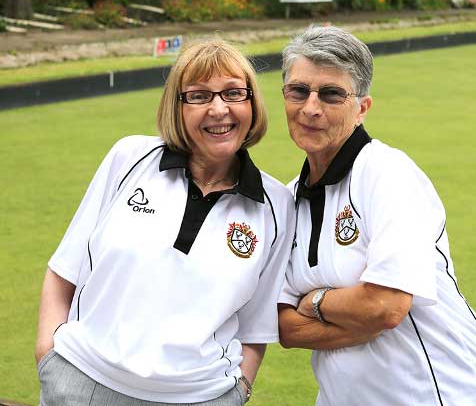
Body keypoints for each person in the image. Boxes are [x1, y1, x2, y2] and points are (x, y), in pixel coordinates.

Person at [35, 38, 294, 406]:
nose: (219, 109)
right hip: (83, 384)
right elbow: (64, 270)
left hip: (200, 397)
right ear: (177, 105)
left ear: (252, 103)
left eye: (234, 93)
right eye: (200, 96)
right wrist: (49, 354)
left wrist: (240, 390)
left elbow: (256, 325)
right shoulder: (130, 158)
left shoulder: (276, 204)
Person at [277, 26, 476, 405]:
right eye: (299, 90)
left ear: (362, 108)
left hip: (436, 393)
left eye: (332, 94)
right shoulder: (287, 199)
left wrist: (315, 303)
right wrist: (359, 323)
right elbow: (284, 328)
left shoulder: (387, 173)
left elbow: (384, 307)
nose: (311, 108)